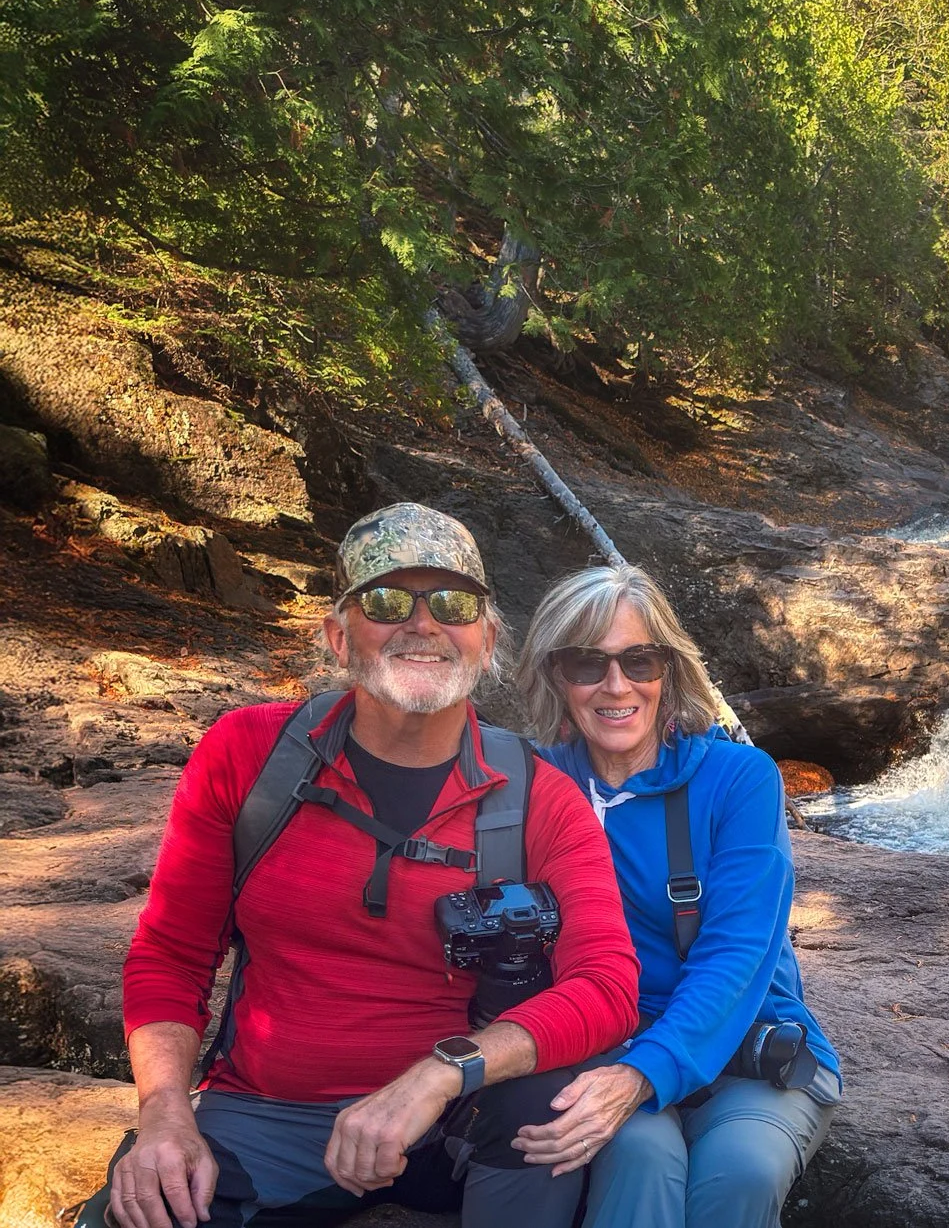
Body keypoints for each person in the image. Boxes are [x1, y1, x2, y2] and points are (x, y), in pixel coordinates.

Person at [79, 503, 640, 1228]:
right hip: (266, 1117)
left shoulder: (540, 798)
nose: (423, 622)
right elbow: (171, 954)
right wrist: (163, 1115)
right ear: (338, 635)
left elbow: (607, 986)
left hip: (456, 1122)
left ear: (488, 636)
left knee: (543, 1102)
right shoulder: (248, 756)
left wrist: (442, 1072)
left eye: (453, 601)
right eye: (385, 599)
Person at [509, 565, 840, 1228]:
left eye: (639, 659)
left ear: (669, 669)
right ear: (555, 673)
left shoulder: (739, 779)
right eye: (587, 662)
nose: (616, 684)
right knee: (636, 1157)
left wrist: (644, 1073)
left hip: (746, 1045)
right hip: (602, 1045)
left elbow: (736, 955)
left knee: (741, 1174)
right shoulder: (531, 784)